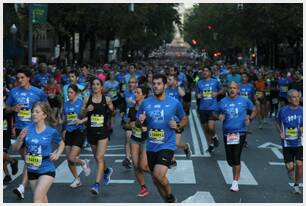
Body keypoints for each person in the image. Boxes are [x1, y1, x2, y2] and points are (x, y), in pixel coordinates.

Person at [137, 74, 188, 202]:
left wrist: (177, 125)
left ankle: (170, 196)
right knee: (155, 180)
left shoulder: (174, 103)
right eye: (154, 83)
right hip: (151, 145)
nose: (156, 86)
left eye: (159, 83)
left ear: (165, 85)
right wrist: (140, 121)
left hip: (167, 144)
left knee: (158, 175)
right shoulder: (146, 103)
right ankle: (168, 201)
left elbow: (184, 118)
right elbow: (137, 123)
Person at [6, 66, 47, 199]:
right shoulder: (13, 92)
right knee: (27, 159)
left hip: (33, 128)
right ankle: (36, 175)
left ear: (28, 78)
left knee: (29, 158)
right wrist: (12, 108)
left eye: (22, 77)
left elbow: (46, 108)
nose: (19, 80)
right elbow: (6, 108)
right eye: (18, 78)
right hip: (20, 129)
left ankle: (22, 187)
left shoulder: (38, 92)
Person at [13, 102, 65, 203]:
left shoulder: (51, 131)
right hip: (32, 170)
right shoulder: (27, 129)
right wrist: (19, 139)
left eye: (37, 112)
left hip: (46, 168)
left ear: (44, 115)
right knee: (42, 199)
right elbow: (15, 148)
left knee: (37, 200)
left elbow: (62, 143)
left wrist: (57, 153)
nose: (34, 114)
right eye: (33, 112)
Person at [217, 82, 256, 192]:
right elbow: (215, 112)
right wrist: (218, 116)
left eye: (234, 88)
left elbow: (254, 109)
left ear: (238, 90)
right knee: (230, 161)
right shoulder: (223, 102)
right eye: (230, 88)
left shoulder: (244, 101)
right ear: (227, 90)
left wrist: (250, 119)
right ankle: (235, 177)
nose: (232, 90)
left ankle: (235, 182)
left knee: (236, 156)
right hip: (227, 133)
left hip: (240, 132)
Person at [80, 78, 114, 195]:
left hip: (103, 132)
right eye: (93, 84)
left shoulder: (107, 99)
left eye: (97, 84)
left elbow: (113, 112)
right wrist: (86, 109)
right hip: (91, 132)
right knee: (96, 157)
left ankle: (96, 185)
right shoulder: (86, 99)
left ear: (101, 87)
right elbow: (81, 114)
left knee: (99, 157)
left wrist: (110, 108)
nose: (95, 86)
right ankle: (107, 170)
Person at [62, 84, 91, 188]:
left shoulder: (81, 103)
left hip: (79, 131)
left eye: (71, 93)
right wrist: (63, 128)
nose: (69, 94)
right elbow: (65, 119)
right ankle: (77, 179)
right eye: (68, 92)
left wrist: (80, 121)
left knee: (72, 157)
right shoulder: (65, 104)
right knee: (69, 159)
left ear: (76, 93)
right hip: (69, 132)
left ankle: (83, 162)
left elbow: (89, 117)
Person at [275, 89, 303, 194]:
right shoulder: (283, 110)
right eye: (294, 97)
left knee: (300, 164)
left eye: (298, 97)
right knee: (290, 167)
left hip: (300, 142)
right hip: (287, 143)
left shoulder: (303, 110)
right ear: (289, 99)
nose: (296, 99)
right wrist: (280, 132)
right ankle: (290, 171)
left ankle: (296, 184)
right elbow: (277, 123)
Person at [196, 66, 224, 153]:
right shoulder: (199, 83)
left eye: (206, 71)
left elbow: (223, 90)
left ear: (210, 73)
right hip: (202, 108)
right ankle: (211, 145)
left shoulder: (215, 82)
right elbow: (196, 94)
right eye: (203, 71)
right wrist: (198, 96)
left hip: (212, 107)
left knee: (210, 127)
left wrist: (217, 93)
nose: (204, 72)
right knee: (206, 129)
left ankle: (215, 136)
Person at [129, 86, 150, 197]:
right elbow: (130, 124)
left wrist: (148, 128)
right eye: (135, 92)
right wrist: (138, 123)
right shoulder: (132, 109)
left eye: (138, 92)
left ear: (144, 95)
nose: (135, 94)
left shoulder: (149, 108)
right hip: (135, 139)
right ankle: (143, 187)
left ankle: (158, 174)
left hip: (146, 139)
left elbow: (155, 123)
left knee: (143, 166)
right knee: (136, 165)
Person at [3, 90, 18, 185]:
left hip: (5, 134)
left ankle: (13, 161)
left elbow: (13, 119)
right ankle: (7, 175)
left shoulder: (8, 108)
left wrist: (13, 129)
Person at [122, 76, 137, 168]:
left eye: (133, 82)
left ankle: (136, 157)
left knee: (137, 139)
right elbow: (124, 104)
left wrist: (134, 102)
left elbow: (143, 104)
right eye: (130, 82)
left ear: (136, 84)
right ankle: (127, 158)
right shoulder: (126, 92)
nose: (131, 84)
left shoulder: (138, 93)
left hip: (137, 118)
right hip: (128, 117)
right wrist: (122, 112)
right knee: (128, 137)